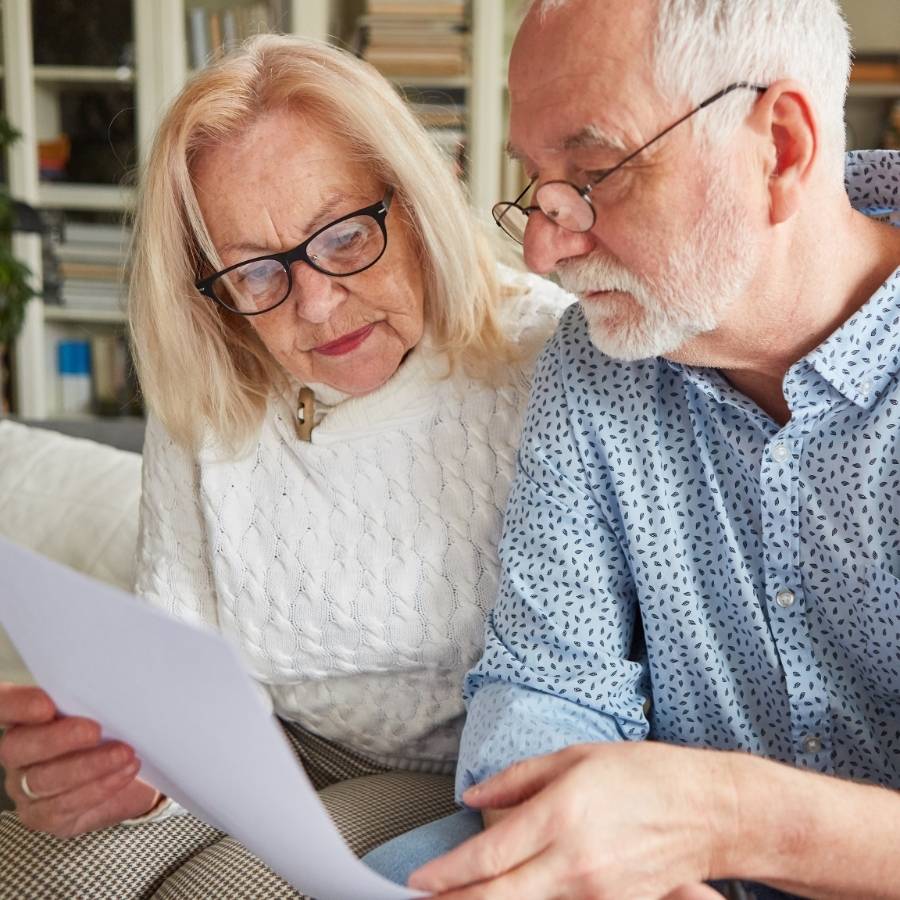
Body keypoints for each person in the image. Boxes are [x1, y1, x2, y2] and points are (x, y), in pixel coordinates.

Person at [0, 34, 572, 899]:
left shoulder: (546, 359)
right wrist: (121, 771)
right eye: (255, 270)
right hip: (251, 748)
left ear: (414, 202)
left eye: (343, 237)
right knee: (35, 873)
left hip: (451, 773)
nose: (314, 302)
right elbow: (177, 652)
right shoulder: (212, 382)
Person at [362, 0, 900, 897]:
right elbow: (546, 681)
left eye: (597, 173)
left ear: (782, 150)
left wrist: (722, 820)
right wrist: (594, 861)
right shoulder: (595, 361)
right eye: (536, 182)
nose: (541, 249)